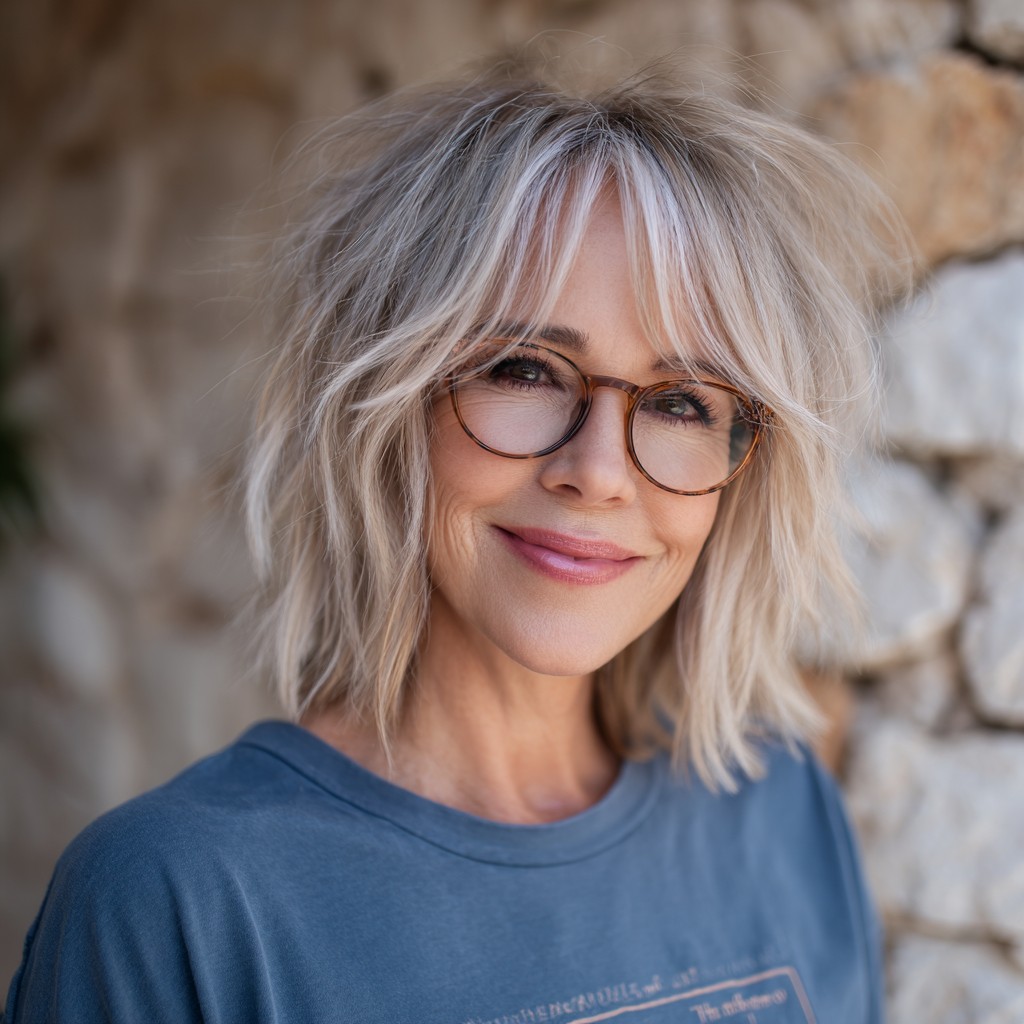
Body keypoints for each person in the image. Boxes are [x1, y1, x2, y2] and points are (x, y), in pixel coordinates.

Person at [5, 60, 909, 1024]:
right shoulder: (177, 899)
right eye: (524, 370)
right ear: (381, 406)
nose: (600, 471)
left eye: (684, 401)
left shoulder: (778, 809)